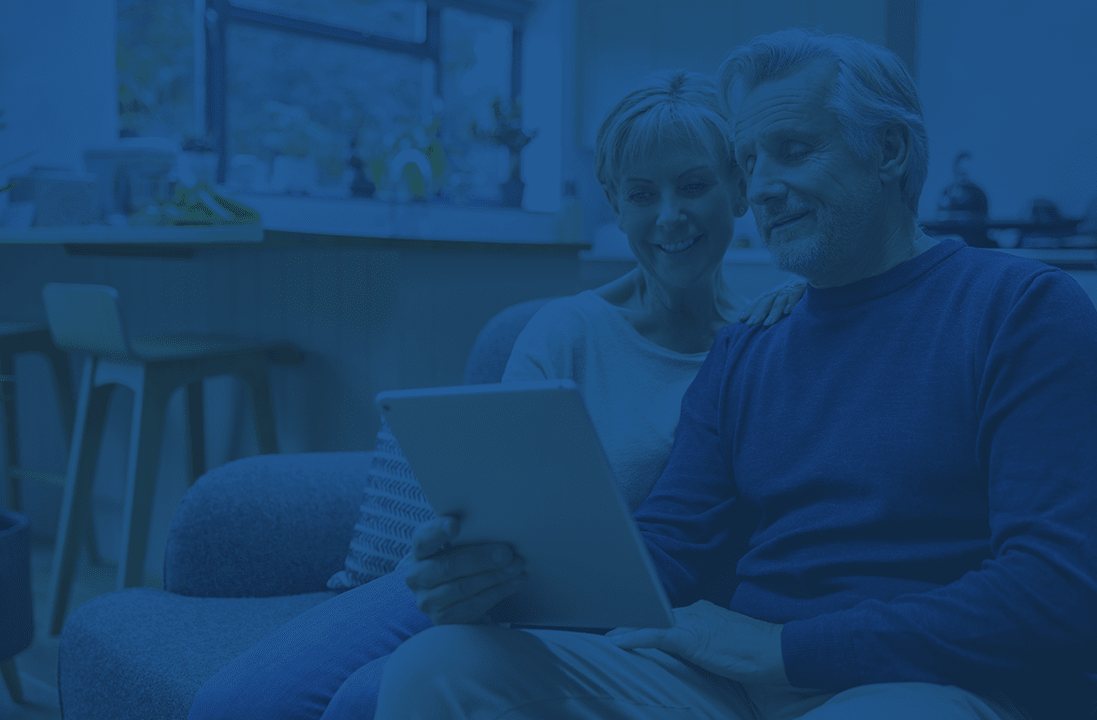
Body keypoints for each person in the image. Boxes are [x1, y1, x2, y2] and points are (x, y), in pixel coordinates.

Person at [375, 28, 1097, 720]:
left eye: (794, 150)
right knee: (440, 669)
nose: (760, 188)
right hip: (731, 687)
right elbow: (670, 548)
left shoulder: (1021, 309)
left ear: (890, 151)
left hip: (919, 686)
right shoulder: (749, 348)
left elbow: (1062, 593)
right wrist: (505, 583)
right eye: (748, 161)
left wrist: (783, 650)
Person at [187, 70, 806, 720]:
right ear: (615, 205)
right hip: (483, 582)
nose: (670, 216)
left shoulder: (763, 342)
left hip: (599, 625)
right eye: (642, 193)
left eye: (695, 185)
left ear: (739, 187)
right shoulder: (566, 329)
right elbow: (494, 500)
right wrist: (444, 554)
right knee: (232, 705)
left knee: (363, 702)